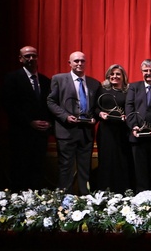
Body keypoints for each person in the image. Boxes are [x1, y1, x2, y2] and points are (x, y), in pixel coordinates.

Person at [47, 51, 101, 195]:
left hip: (86, 131)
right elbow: (51, 101)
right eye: (76, 61)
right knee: (66, 167)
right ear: (69, 63)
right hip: (66, 131)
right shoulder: (58, 79)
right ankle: (65, 200)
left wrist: (96, 117)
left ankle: (85, 198)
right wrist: (65, 116)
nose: (79, 64)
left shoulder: (94, 83)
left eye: (82, 61)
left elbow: (97, 107)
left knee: (85, 167)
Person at [2, 46, 53, 191]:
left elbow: (49, 104)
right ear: (20, 59)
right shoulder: (11, 78)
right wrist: (29, 122)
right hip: (21, 135)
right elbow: (8, 105)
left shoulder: (44, 81)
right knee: (20, 171)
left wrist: (48, 123)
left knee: (38, 171)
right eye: (27, 56)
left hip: (41, 136)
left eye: (34, 56)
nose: (31, 59)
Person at [125, 59, 151, 193]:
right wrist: (134, 126)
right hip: (137, 136)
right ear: (141, 72)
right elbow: (129, 108)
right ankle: (141, 202)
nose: (148, 73)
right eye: (145, 71)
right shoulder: (134, 87)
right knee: (139, 171)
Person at [95, 64, 133, 192]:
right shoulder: (101, 90)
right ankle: (105, 190)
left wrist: (127, 116)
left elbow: (133, 108)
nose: (114, 76)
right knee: (106, 160)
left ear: (123, 76)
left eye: (118, 74)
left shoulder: (129, 91)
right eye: (112, 74)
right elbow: (94, 107)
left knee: (122, 160)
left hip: (123, 131)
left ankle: (123, 190)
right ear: (108, 76)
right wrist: (100, 113)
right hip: (106, 130)